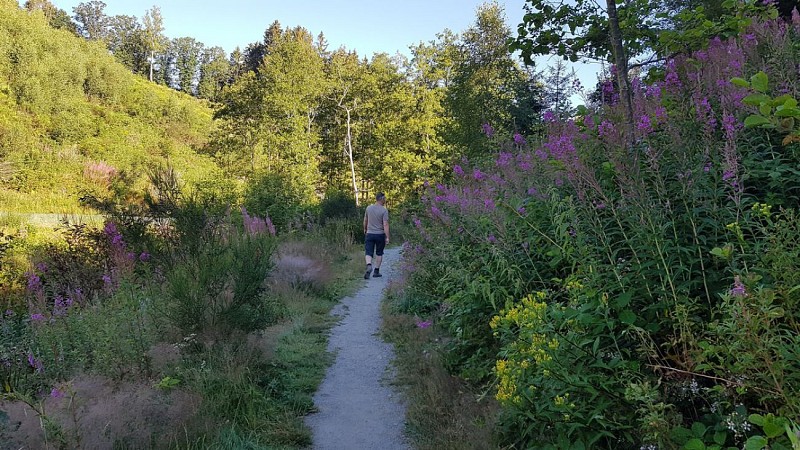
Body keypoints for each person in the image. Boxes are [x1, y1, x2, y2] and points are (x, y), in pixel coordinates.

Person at [363, 192, 389, 279]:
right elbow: (385, 224)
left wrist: (365, 229)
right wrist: (387, 236)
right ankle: (376, 271)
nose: (385, 200)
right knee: (379, 252)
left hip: (369, 233)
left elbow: (365, 220)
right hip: (380, 234)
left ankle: (369, 265)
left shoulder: (368, 208)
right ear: (381, 199)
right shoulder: (384, 210)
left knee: (368, 251)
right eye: (384, 198)